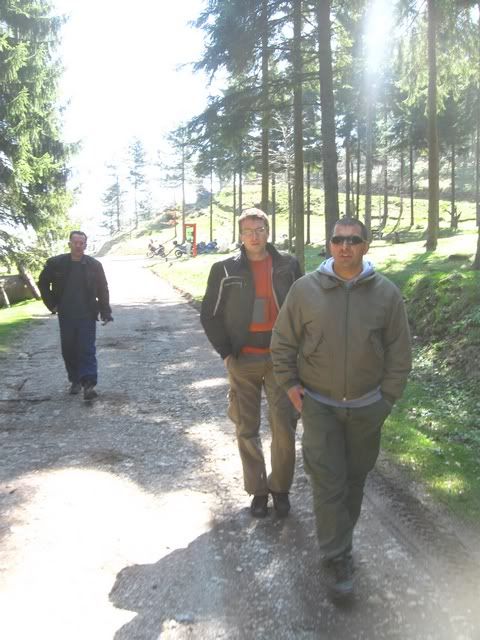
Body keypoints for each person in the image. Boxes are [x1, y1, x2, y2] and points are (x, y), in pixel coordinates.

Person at [271, 217, 411, 598]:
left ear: (365, 245)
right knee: (328, 481)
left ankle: (339, 540)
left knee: (354, 480)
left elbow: (400, 353)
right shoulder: (305, 290)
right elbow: (282, 343)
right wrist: (291, 387)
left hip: (368, 408)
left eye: (353, 240)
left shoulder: (386, 294)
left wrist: (387, 399)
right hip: (319, 405)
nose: (344, 246)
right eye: (338, 239)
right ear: (329, 245)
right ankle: (337, 557)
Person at [201, 208, 302, 518]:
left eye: (259, 230)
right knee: (246, 427)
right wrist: (226, 353)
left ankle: (280, 489)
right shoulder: (224, 269)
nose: (254, 236)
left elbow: (304, 308)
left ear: (268, 231)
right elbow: (210, 314)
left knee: (283, 426)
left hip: (281, 359)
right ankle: (258, 490)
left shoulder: (288, 265)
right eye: (248, 231)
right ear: (240, 235)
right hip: (243, 358)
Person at [38, 230, 113, 401]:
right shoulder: (56, 263)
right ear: (69, 244)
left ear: (86, 245)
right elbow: (42, 283)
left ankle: (88, 384)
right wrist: (52, 304)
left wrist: (105, 311)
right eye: (75, 243)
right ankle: (75, 380)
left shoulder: (94, 265)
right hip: (66, 314)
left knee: (87, 349)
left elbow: (103, 288)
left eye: (82, 243)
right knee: (69, 349)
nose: (78, 246)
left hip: (87, 314)